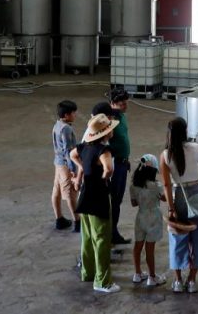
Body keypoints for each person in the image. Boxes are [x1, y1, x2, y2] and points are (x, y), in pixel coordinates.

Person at [70, 113, 121, 294]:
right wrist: (104, 178)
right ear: (105, 133)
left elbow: (72, 154)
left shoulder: (84, 147)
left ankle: (88, 271)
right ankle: (102, 281)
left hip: (85, 195)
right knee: (102, 240)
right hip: (99, 196)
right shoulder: (103, 150)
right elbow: (109, 169)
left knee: (88, 238)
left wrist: (83, 169)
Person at [160, 117, 198, 294]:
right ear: (186, 130)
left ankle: (178, 281)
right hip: (197, 192)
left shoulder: (166, 155)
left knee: (177, 239)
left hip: (178, 196)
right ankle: (192, 281)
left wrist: (171, 207)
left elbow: (166, 184)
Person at [129, 154, 167, 287]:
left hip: (140, 217)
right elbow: (164, 199)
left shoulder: (133, 186)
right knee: (150, 249)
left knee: (138, 246)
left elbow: (134, 203)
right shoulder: (156, 185)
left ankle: (137, 274)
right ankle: (152, 276)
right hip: (154, 218)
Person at [102, 89, 132, 245]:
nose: (125, 106)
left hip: (122, 162)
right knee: (113, 200)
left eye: (126, 103)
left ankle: (114, 231)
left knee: (118, 200)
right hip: (115, 164)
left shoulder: (121, 116)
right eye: (121, 104)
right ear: (112, 104)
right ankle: (110, 233)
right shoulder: (109, 121)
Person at [51, 99, 79, 232]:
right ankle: (77, 221)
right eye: (74, 113)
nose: (75, 115)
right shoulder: (66, 128)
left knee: (56, 190)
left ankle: (59, 218)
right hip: (66, 165)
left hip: (58, 162)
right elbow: (68, 150)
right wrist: (73, 169)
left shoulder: (57, 125)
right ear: (67, 115)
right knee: (70, 193)